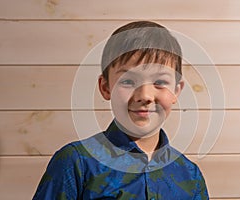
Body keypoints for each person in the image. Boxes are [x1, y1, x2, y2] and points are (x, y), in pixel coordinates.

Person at [33, 21, 209, 199]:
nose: (145, 96)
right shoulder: (76, 163)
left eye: (160, 82)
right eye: (128, 81)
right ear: (106, 87)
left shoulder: (190, 176)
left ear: (176, 91)